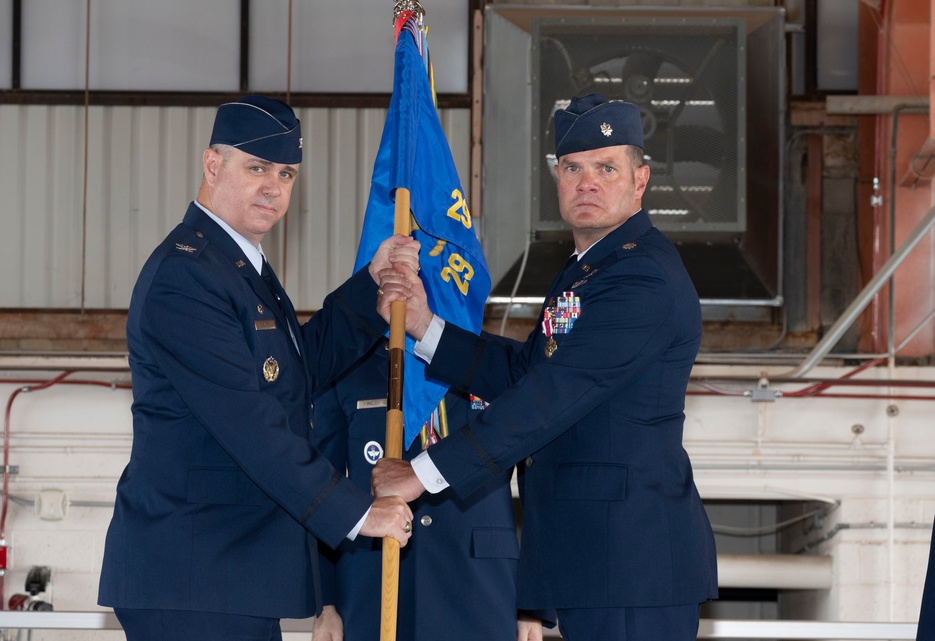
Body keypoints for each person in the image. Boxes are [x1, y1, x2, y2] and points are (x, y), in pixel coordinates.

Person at [372, 94, 718, 641]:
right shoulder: (587, 270)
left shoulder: (642, 277)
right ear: (557, 179)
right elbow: (528, 371)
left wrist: (422, 473)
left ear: (641, 180)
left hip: (632, 566)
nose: (587, 182)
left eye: (607, 168)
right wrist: (425, 326)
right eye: (573, 168)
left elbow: (552, 395)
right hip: (594, 563)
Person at [98, 95, 418, 641]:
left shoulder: (237, 267)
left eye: (286, 173)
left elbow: (288, 376)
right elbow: (248, 421)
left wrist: (371, 286)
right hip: (195, 579)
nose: (273, 187)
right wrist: (356, 512)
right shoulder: (188, 276)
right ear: (212, 165)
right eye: (257, 168)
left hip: (225, 577)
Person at [309, 341, 547, 641]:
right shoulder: (347, 363)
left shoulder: (503, 359)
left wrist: (533, 606)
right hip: (373, 584)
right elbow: (321, 488)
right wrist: (326, 606)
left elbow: (539, 490)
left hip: (482, 589)